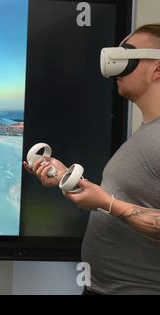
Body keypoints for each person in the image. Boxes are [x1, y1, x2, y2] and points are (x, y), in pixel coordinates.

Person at [24, 24, 160, 294]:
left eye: (128, 57)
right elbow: (128, 199)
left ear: (157, 69)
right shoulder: (148, 131)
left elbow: (113, 204)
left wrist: (107, 204)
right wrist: (70, 179)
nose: (116, 68)